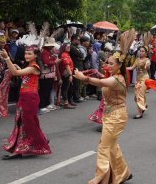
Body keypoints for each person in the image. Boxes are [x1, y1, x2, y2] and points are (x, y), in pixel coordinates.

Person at [74, 49, 133, 183]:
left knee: (104, 147)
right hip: (110, 115)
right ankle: (123, 172)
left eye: (112, 63)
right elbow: (104, 80)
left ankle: (101, 178)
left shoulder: (118, 79)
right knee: (111, 146)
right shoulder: (112, 77)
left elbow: (101, 83)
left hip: (117, 117)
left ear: (119, 65)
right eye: (108, 63)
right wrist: (96, 73)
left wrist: (84, 78)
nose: (108, 65)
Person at [0, 46, 51, 160]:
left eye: (29, 54)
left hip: (30, 98)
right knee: (23, 122)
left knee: (26, 123)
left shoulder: (34, 67)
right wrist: (14, 65)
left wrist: (7, 58)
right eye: (26, 54)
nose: (26, 56)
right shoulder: (29, 67)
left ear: (36, 55)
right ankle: (39, 140)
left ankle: (21, 149)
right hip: (24, 97)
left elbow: (15, 73)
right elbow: (20, 73)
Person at [126, 46, 150, 119]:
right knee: (136, 97)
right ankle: (144, 105)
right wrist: (123, 68)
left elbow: (147, 67)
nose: (141, 52)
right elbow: (132, 68)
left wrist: (146, 65)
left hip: (144, 79)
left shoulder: (147, 60)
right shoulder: (137, 60)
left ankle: (140, 113)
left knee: (139, 96)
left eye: (143, 51)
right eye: (140, 51)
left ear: (146, 53)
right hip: (138, 79)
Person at [58, 43, 75, 109]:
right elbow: (67, 65)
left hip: (68, 73)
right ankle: (66, 103)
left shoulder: (67, 54)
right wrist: (70, 75)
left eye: (69, 46)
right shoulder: (64, 55)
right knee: (65, 88)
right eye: (67, 46)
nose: (69, 47)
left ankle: (66, 102)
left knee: (67, 88)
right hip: (66, 73)